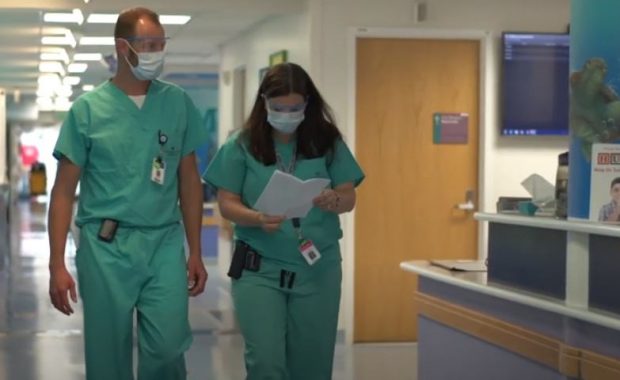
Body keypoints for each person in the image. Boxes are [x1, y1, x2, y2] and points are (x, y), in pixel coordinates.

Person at [47, 7, 208, 380]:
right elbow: (62, 192)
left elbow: (189, 180)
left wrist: (196, 249)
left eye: (160, 44)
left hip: (164, 242)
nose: (156, 52)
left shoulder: (177, 103)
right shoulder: (87, 111)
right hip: (105, 247)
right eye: (147, 44)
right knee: (107, 356)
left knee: (169, 349)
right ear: (123, 47)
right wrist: (57, 263)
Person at [204, 62, 365, 380]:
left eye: (295, 107)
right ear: (264, 102)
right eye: (279, 107)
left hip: (316, 268)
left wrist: (335, 199)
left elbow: (349, 196)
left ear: (308, 103)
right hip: (258, 268)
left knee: (312, 363)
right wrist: (257, 217)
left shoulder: (326, 141)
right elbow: (226, 202)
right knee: (265, 361)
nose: (287, 115)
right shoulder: (242, 144)